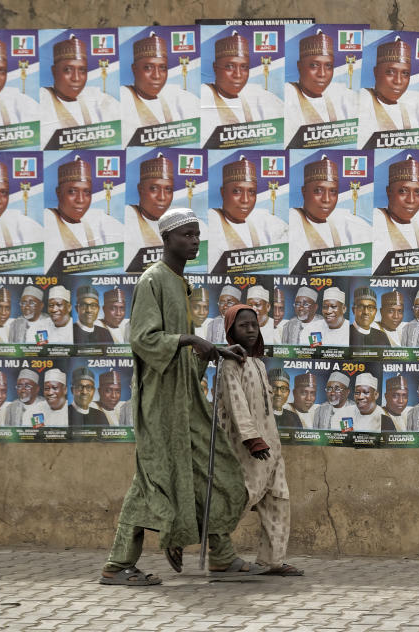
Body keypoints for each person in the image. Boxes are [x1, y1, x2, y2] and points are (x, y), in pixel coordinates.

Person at [101, 207, 250, 586]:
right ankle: (118, 565)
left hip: (186, 399)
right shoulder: (153, 280)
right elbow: (144, 340)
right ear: (166, 240)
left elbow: (187, 351)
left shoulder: (181, 283)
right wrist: (188, 338)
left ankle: (221, 555)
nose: (194, 241)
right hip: (161, 403)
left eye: (197, 235)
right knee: (153, 480)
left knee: (214, 468)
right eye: (186, 235)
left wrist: (217, 351)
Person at [218, 302, 303, 576]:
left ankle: (272, 560)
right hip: (246, 448)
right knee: (240, 499)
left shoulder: (258, 363)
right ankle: (217, 550)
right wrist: (251, 439)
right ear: (231, 331)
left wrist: (267, 441)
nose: (251, 330)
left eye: (254, 325)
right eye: (243, 326)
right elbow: (235, 403)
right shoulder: (230, 364)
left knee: (278, 499)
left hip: (270, 448)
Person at [357, 36, 419, 144]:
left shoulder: (416, 102)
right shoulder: (363, 99)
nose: (398, 81)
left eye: (405, 73)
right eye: (390, 72)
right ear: (376, 72)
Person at [201, 31, 284, 140]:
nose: (238, 75)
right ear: (215, 68)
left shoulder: (260, 97)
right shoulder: (203, 96)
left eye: (244, 67)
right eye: (230, 66)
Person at [289, 155, 369, 267]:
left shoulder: (348, 224)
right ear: (304, 191)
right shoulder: (291, 222)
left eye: (333, 192)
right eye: (318, 191)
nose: (326, 199)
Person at [44, 155, 123, 269]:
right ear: (58, 192)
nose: (80, 200)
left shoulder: (97, 218)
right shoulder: (48, 218)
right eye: (72, 191)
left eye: (87, 192)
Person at [39, 34, 119, 144]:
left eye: (82, 70)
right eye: (67, 70)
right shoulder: (42, 99)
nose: (76, 78)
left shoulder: (96, 97)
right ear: (54, 71)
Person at [209, 156, 287, 267]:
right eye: (236, 191)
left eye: (251, 192)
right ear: (223, 192)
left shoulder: (264, 220)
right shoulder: (212, 221)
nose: (245, 200)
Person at [120, 32, 198, 144]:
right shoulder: (123, 97)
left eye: (162, 68)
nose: (156, 76)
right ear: (134, 69)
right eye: (148, 67)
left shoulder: (177, 97)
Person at [284, 29, 357, 144]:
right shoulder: (288, 94)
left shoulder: (341, 95)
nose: (322, 74)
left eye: (328, 66)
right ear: (300, 66)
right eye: (314, 65)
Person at [124, 153, 173, 268]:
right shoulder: (128, 216)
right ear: (140, 189)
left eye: (168, 189)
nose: (162, 197)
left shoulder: (180, 218)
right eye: (154, 189)